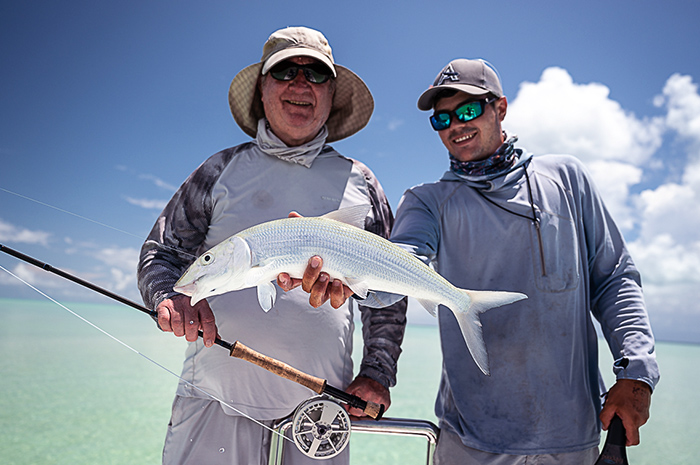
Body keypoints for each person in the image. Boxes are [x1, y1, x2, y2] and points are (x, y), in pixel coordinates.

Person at [287, 58, 660, 464]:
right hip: (470, 440)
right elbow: (400, 265)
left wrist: (636, 372)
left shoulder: (568, 179)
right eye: (441, 119)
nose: (455, 126)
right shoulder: (427, 201)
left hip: (573, 435)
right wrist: (348, 275)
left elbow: (614, 279)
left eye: (467, 111)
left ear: (499, 108)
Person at [137, 26, 407, 465]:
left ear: (332, 93)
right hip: (212, 403)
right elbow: (161, 253)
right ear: (263, 89)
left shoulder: (364, 182)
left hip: (320, 420)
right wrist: (170, 297)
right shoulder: (219, 169)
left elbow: (389, 293)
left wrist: (377, 374)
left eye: (315, 74)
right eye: (285, 71)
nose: (300, 84)